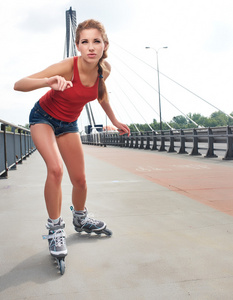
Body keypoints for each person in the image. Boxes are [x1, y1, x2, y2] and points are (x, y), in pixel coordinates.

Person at [14, 19, 130, 258]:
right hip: (43, 118)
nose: (90, 47)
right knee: (55, 170)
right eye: (84, 41)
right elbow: (19, 84)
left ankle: (81, 218)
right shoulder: (68, 66)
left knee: (80, 180)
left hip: (69, 125)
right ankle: (55, 229)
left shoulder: (104, 70)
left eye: (96, 41)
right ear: (77, 45)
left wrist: (115, 121)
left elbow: (102, 96)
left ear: (104, 45)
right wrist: (49, 82)